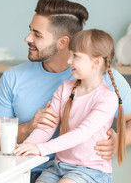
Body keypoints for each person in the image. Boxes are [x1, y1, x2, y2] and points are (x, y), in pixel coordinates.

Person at [0, 0, 131, 182]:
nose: (27, 38)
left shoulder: (108, 79)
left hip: (84, 170)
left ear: (63, 43)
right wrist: (27, 130)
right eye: (30, 31)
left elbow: (84, 132)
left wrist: (120, 142)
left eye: (37, 34)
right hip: (31, 167)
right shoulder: (16, 78)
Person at [13, 29, 126, 183]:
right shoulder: (65, 88)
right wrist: (26, 147)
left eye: (76, 56)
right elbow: (47, 127)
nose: (69, 61)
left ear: (96, 62)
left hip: (91, 170)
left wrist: (40, 149)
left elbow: (82, 133)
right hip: (59, 166)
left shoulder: (107, 98)